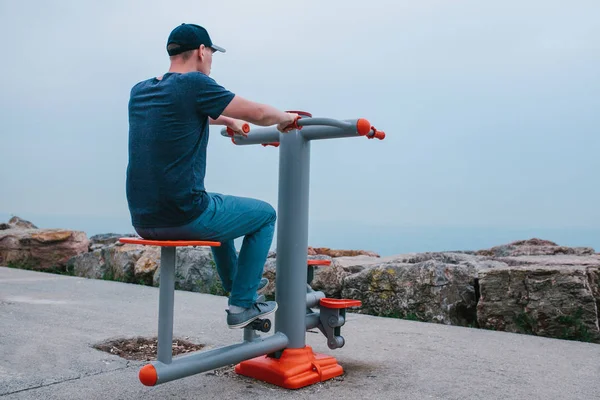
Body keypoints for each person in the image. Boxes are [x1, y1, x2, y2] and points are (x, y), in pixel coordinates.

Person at [126, 23, 298, 329]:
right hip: (182, 215)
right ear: (203, 52)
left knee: (223, 210)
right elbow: (257, 113)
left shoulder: (141, 91)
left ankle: (238, 287)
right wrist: (285, 119)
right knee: (264, 215)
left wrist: (227, 120)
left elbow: (186, 111)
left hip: (143, 219)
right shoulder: (194, 83)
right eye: (212, 53)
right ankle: (242, 304)